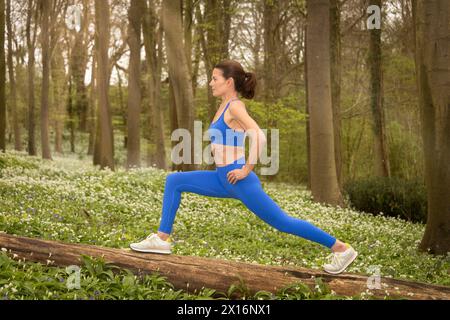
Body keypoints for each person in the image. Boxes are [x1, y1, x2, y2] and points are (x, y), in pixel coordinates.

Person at [130, 59, 358, 275]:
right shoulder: (224, 106)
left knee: (282, 222)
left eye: (214, 78)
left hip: (238, 180)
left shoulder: (235, 107)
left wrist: (246, 169)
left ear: (229, 82)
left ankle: (341, 248)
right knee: (174, 181)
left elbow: (259, 136)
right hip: (221, 178)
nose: (210, 83)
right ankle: (161, 240)